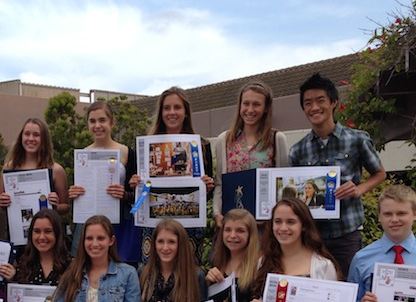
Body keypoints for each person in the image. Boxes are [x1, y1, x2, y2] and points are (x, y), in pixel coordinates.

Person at [288, 73, 386, 302]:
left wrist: (359, 189)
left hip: (346, 232)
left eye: (320, 101)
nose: (314, 107)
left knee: (347, 294)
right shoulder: (299, 149)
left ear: (333, 103)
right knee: (316, 294)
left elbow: (380, 173)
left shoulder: (357, 139)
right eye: (308, 103)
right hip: (313, 235)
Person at [130, 87, 215, 264]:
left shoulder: (201, 146)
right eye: (167, 108)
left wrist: (207, 186)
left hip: (189, 223)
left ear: (186, 112)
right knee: (153, 275)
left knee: (187, 274)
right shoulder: (146, 147)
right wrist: (135, 183)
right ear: (161, 113)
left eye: (177, 107)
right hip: (155, 223)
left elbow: (209, 193)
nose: (172, 112)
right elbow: (136, 190)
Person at [67, 101, 140, 263]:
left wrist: (125, 194)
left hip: (119, 222)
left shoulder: (126, 152)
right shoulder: (83, 154)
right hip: (89, 221)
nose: (97, 125)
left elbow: (139, 194)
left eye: (102, 120)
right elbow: (81, 191)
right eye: (92, 121)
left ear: (112, 122)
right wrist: (74, 193)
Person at [213, 81, 289, 228]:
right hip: (233, 225)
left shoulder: (276, 139)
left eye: (256, 104)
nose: (250, 109)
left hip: (264, 227)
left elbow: (282, 185)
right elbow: (219, 184)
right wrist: (217, 213)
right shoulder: (225, 140)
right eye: (246, 104)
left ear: (266, 108)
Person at [0, 118, 70, 242]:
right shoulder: (9, 167)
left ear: (44, 139)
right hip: (17, 235)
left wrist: (55, 206)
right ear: (21, 137)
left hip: (47, 238)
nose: (31, 139)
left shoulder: (56, 170)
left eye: (36, 135)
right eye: (27, 134)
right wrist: (1, 203)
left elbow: (66, 207)